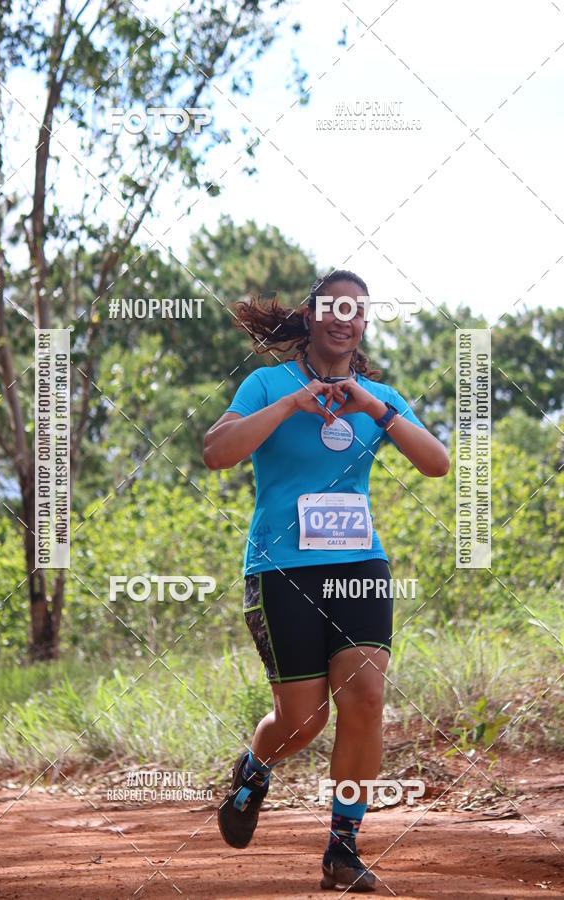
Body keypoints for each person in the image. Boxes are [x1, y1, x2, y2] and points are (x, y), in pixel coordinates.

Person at [203, 270, 450, 893]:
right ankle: (255, 768)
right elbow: (216, 452)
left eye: (356, 310)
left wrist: (375, 409)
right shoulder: (267, 384)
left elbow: (437, 463)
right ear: (312, 316)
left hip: (359, 565)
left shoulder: (378, 398)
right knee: (302, 720)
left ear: (363, 324)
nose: (345, 318)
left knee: (365, 697)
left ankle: (343, 847)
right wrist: (293, 404)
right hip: (281, 569)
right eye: (333, 307)